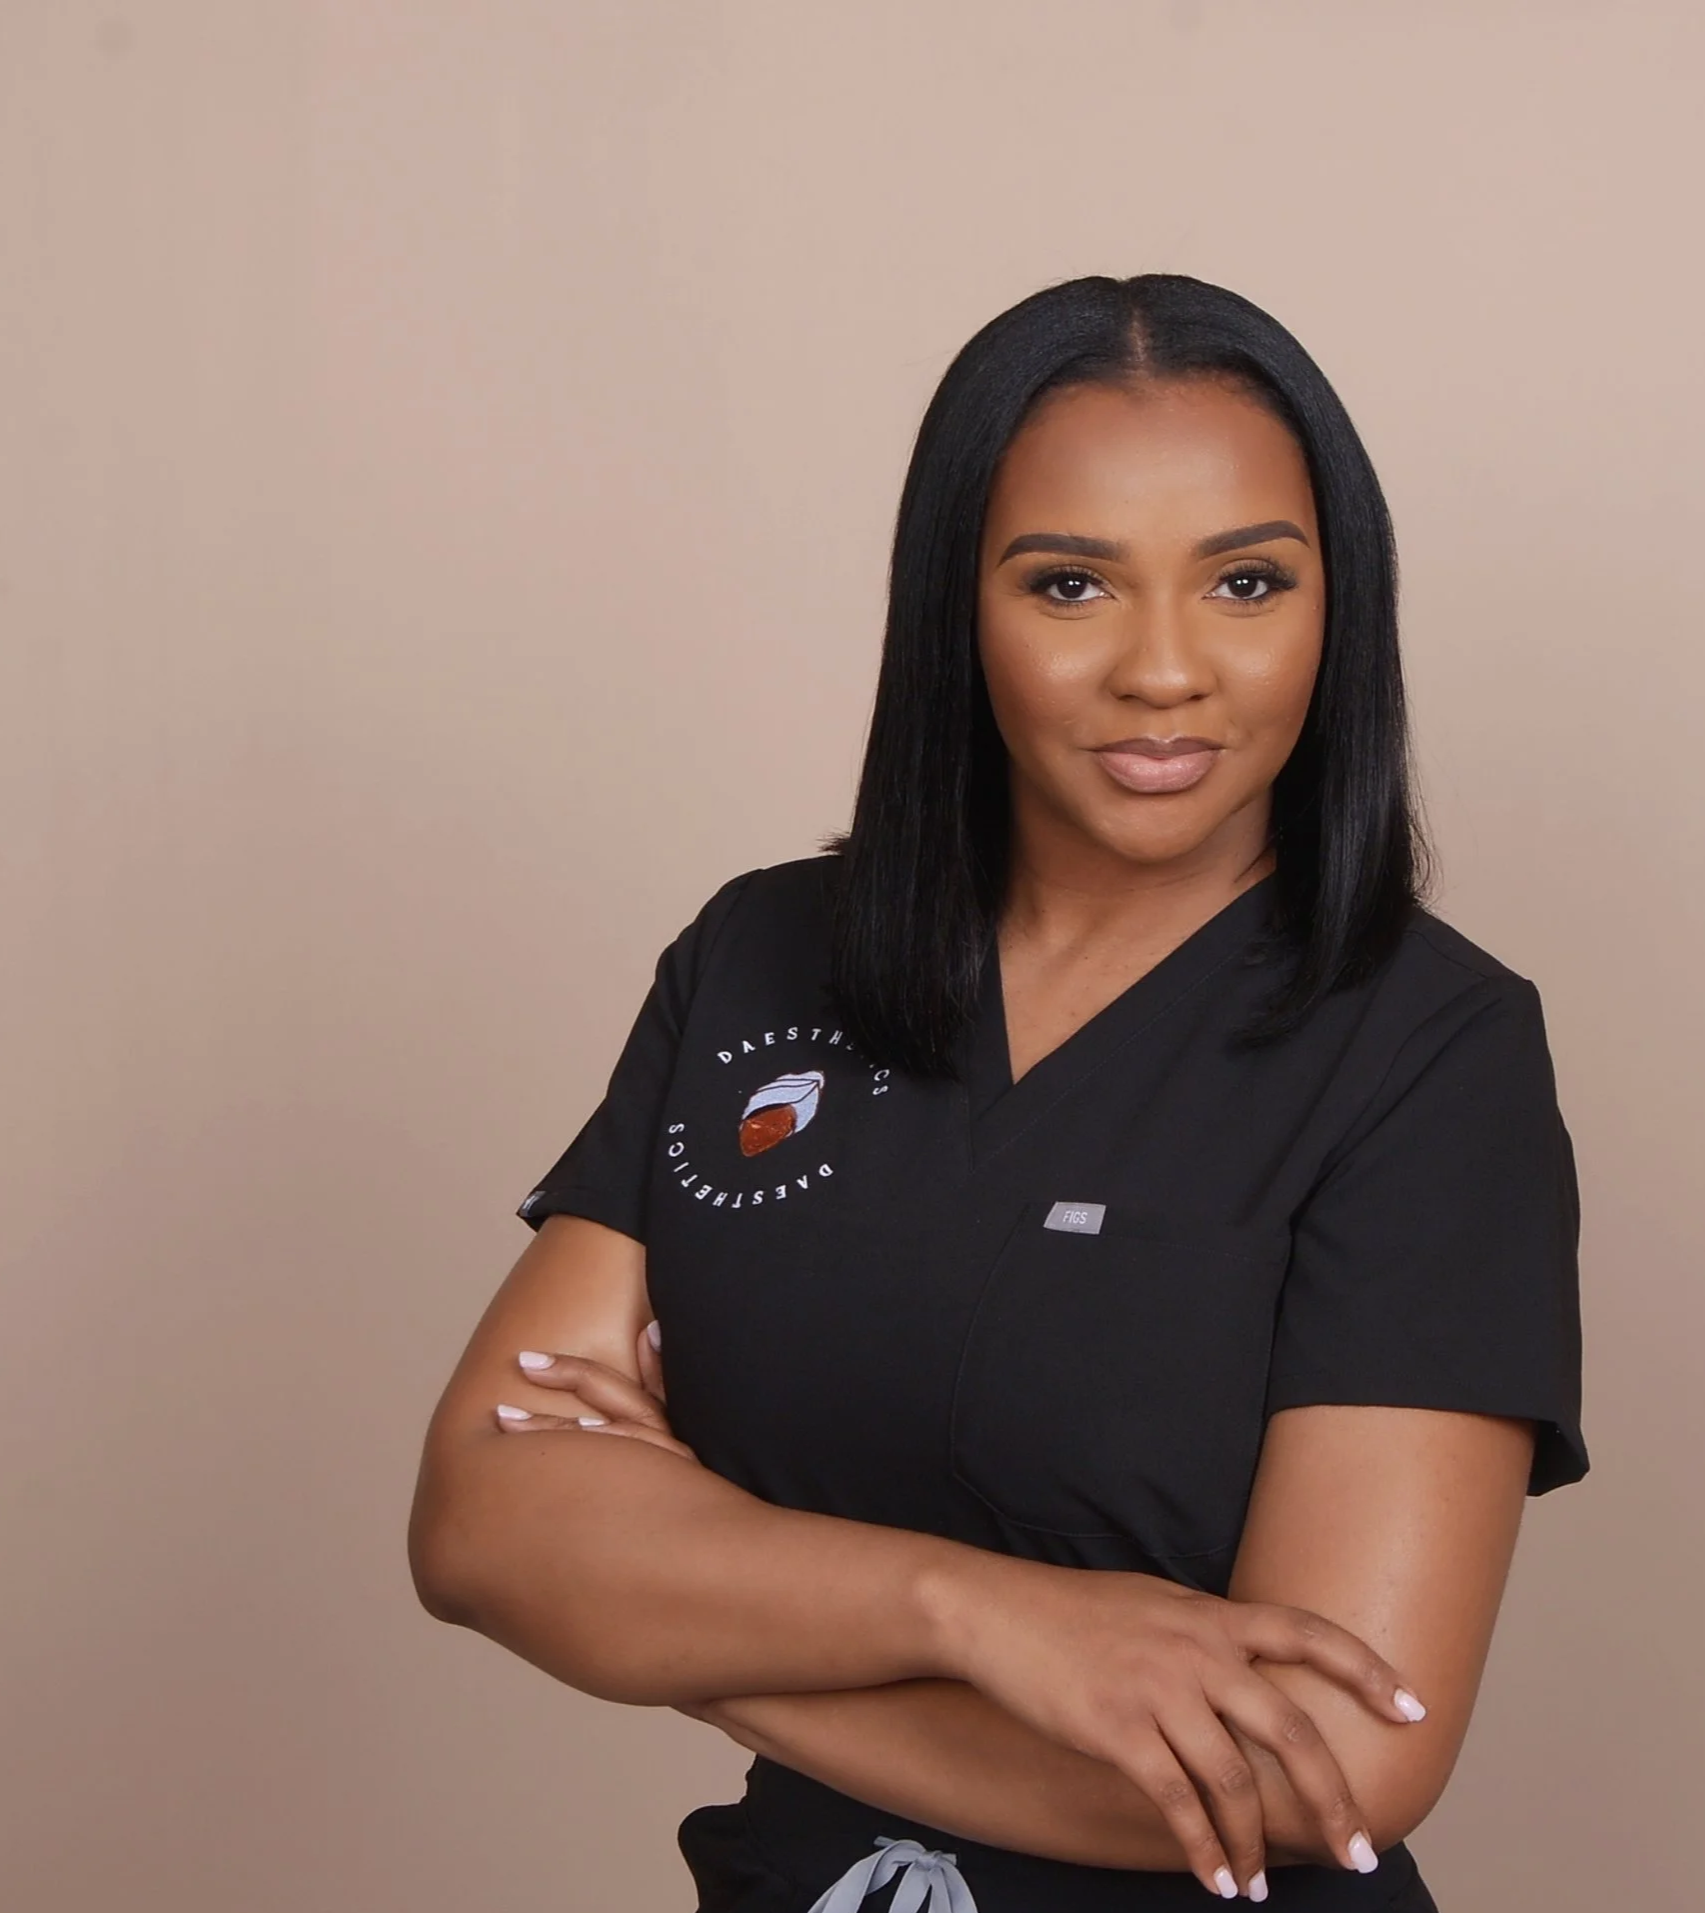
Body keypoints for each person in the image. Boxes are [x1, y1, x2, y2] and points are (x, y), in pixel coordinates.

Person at [409, 273, 1586, 1912]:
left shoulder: (1430, 1055)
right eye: (1070, 585)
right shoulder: (762, 961)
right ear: (955, 606)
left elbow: (1328, 1771)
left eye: (1247, 581)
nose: (1165, 671)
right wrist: (991, 1619)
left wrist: (687, 1633)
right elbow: (480, 1516)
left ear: (1342, 608)